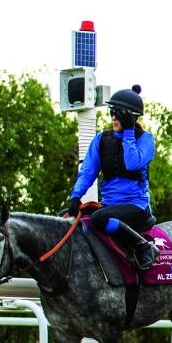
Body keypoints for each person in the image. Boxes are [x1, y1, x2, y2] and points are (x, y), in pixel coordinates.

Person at [65, 84, 160, 270]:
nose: (114, 118)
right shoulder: (101, 139)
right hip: (109, 205)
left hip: (136, 207)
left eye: (119, 114)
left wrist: (129, 132)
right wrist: (75, 197)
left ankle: (144, 247)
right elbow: (88, 172)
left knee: (99, 219)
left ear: (131, 118)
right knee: (64, 217)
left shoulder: (146, 140)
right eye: (112, 113)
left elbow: (133, 163)